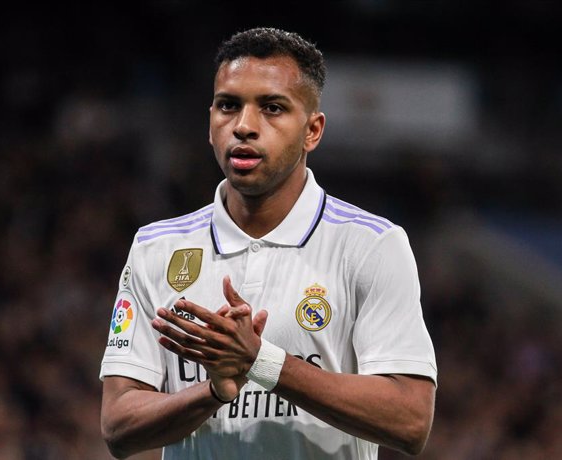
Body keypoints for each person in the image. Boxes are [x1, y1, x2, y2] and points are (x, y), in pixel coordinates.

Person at [100, 27, 437, 459]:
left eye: (272, 108)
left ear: (312, 131)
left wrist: (261, 361)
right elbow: (118, 425)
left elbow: (410, 421)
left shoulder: (371, 245)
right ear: (210, 122)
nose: (243, 126)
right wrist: (214, 392)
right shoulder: (155, 248)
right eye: (228, 106)